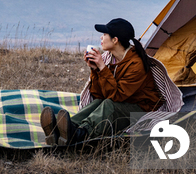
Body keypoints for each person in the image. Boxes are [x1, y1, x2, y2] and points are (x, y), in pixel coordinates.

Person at [41, 18, 164, 146]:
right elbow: (99, 95)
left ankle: (81, 134)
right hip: (123, 103)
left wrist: (102, 68)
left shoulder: (136, 64)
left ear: (115, 40)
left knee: (109, 104)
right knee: (100, 102)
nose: (101, 37)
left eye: (105, 35)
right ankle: (65, 129)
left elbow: (117, 96)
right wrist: (95, 70)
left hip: (141, 110)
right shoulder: (111, 59)